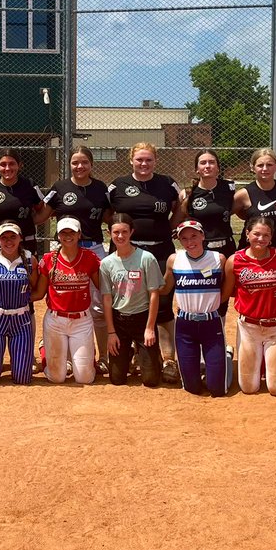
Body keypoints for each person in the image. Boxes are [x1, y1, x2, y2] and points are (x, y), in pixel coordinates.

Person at [107, 142, 183, 376]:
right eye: (139, 159)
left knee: (161, 303)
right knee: (125, 301)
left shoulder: (167, 184)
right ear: (131, 160)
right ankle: (130, 353)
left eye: (148, 160)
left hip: (159, 252)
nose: (144, 164)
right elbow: (107, 214)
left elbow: (179, 208)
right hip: (125, 253)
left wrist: (166, 230)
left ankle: (168, 358)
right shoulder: (117, 185)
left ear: (155, 161)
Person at [37, 145, 111, 361]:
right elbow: (41, 216)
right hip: (65, 250)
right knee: (64, 298)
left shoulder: (100, 188)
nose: (80, 166)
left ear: (91, 164)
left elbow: (110, 217)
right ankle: (63, 353)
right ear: (69, 165)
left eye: (84, 162)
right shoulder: (59, 187)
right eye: (75, 163)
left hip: (94, 248)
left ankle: (105, 356)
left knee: (98, 305)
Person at [223, 215, 276, 396]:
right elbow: (228, 292)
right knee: (248, 388)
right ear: (247, 234)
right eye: (256, 234)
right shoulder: (234, 261)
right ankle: (230, 357)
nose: (261, 239)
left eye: (266, 235)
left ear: (271, 237)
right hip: (248, 327)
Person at [164, 220, 229, 397]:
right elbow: (164, 288)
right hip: (185, 325)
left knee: (217, 389)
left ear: (202, 236)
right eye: (183, 238)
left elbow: (225, 288)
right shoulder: (174, 260)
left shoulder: (218, 259)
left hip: (211, 323)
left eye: (194, 236)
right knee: (192, 388)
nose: (189, 241)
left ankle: (226, 356)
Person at [100, 214, 164, 387]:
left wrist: (150, 328)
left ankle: (148, 355)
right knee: (117, 379)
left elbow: (154, 294)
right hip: (119, 321)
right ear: (109, 233)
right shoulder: (106, 263)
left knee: (151, 380)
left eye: (124, 232)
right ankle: (126, 353)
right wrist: (111, 333)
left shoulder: (146, 258)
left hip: (142, 319)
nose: (120, 236)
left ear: (132, 232)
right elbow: (107, 298)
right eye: (116, 232)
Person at [36, 217, 101, 384]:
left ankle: (84, 357)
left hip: (82, 321)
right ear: (58, 236)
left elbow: (102, 286)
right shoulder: (49, 259)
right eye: (63, 232)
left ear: (79, 234)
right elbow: (39, 292)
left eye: (72, 232)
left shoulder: (89, 257)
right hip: (56, 321)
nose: (67, 236)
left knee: (85, 378)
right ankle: (45, 348)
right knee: (57, 378)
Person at [0, 222, 41, 385]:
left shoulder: (29, 259)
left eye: (13, 237)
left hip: (21, 320)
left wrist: (24, 299)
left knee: (23, 379)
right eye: (4, 237)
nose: (9, 241)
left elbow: (36, 287)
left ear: (20, 238)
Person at [0, 149, 45, 252]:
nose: (7, 168)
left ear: (19, 165)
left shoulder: (29, 185)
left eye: (12, 164)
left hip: (25, 244)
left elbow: (42, 208)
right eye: (3, 164)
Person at [234, 147, 276, 254]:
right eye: (260, 165)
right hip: (252, 254)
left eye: (269, 165)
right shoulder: (243, 194)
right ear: (252, 167)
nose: (265, 169)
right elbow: (227, 216)